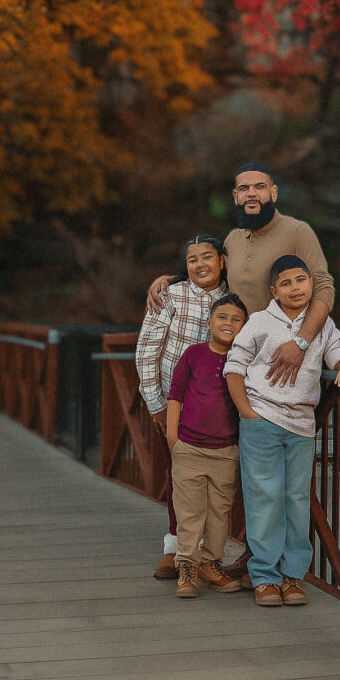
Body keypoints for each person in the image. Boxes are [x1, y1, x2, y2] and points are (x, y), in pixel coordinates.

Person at [146, 163, 337, 581]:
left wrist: (302, 341)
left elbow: (323, 287)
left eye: (259, 187)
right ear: (235, 196)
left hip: (281, 374)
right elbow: (212, 276)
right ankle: (194, 551)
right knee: (211, 460)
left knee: (274, 480)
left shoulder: (298, 232)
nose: (252, 193)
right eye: (243, 188)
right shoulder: (234, 238)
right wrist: (171, 278)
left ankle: (270, 565)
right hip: (230, 369)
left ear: (273, 191)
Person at [224, 255, 340, 607]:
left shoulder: (321, 325)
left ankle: (292, 575)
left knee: (296, 501)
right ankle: (265, 577)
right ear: (274, 291)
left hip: (301, 425)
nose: (295, 288)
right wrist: (248, 414)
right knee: (264, 498)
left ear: (311, 284)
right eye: (286, 283)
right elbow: (233, 367)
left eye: (301, 280)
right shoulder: (259, 322)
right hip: (262, 420)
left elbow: (337, 353)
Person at [136, 234, 228, 579]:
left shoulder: (233, 299)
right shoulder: (171, 296)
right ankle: (175, 549)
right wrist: (156, 404)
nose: (201, 264)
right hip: (175, 404)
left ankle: (208, 554)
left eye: (208, 257)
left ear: (222, 261)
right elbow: (146, 351)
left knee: (218, 479)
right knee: (179, 476)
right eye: (192, 260)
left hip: (221, 406)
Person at [166, 293, 249, 598]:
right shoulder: (194, 354)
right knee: (189, 511)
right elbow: (175, 394)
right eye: (223, 317)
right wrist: (173, 439)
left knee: (219, 512)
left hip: (227, 450)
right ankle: (186, 566)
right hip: (189, 447)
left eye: (236, 319)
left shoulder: (243, 359)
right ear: (210, 321)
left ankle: (210, 563)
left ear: (244, 326)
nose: (229, 323)